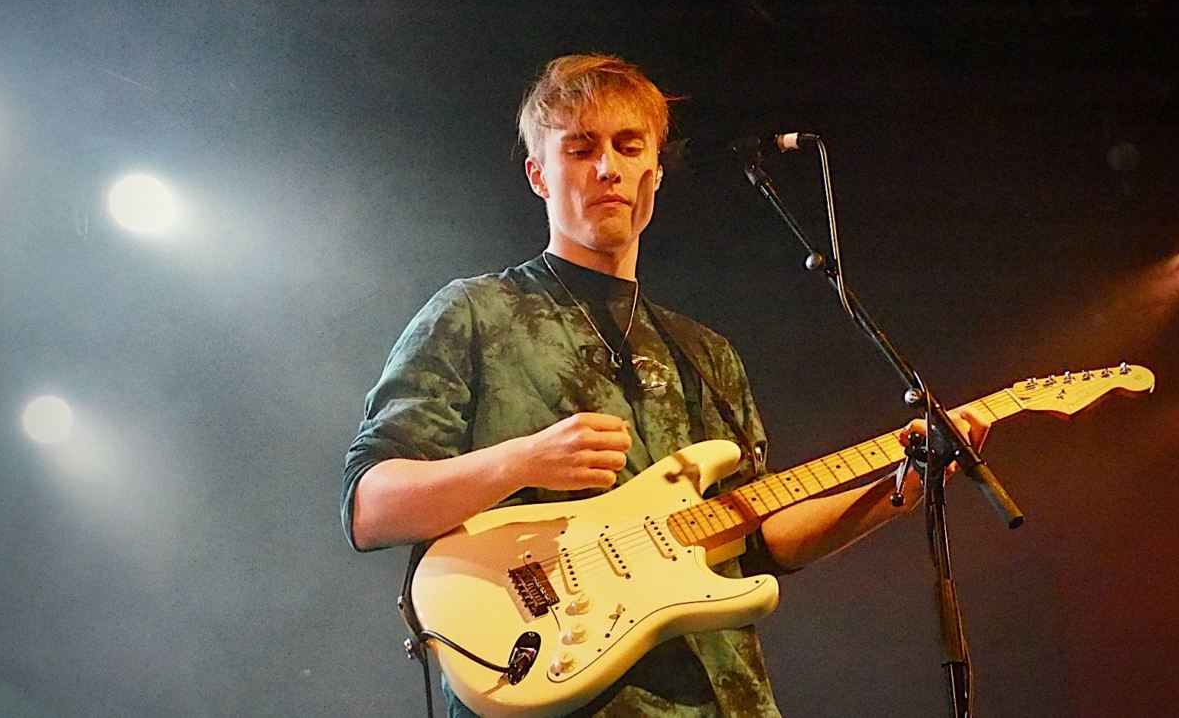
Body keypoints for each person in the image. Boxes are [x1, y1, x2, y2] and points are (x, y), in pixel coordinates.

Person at [342, 54, 988, 716]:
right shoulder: (475, 313)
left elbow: (761, 536)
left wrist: (900, 485)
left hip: (722, 700)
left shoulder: (705, 353)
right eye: (580, 147)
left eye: (628, 147)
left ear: (654, 174)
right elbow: (371, 507)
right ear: (539, 174)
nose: (607, 168)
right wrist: (523, 460)